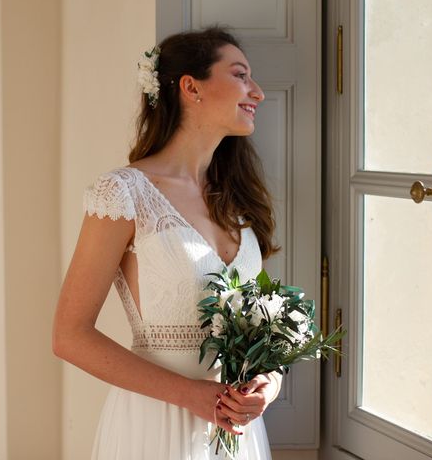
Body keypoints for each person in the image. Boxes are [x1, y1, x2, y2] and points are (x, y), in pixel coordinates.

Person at [52, 27, 282, 459]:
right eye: (240, 76)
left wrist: (267, 385)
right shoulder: (123, 193)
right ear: (191, 87)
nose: (258, 92)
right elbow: (69, 336)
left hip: (233, 432)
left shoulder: (238, 198)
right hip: (154, 426)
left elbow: (258, 330)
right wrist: (192, 395)